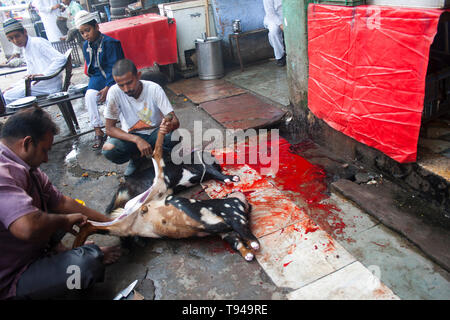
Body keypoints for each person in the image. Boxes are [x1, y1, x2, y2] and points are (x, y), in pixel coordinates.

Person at [0, 107, 121, 300]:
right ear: (27, 143)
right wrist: (64, 221)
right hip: (11, 277)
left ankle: (60, 253)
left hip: (30, 249)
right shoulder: (3, 173)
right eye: (44, 151)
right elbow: (27, 227)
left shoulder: (28, 167)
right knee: (85, 265)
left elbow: (62, 202)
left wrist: (111, 224)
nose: (47, 159)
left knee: (53, 211)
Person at [102, 59, 180, 177]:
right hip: (132, 135)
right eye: (121, 85)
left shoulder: (154, 89)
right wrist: (137, 140)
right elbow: (109, 129)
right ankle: (136, 158)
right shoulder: (114, 92)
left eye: (129, 83)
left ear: (138, 76)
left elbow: (174, 120)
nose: (126, 89)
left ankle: (163, 155)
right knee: (109, 149)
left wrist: (169, 124)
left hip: (155, 133)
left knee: (173, 137)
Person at [75, 10, 125, 149]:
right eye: (82, 32)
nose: (86, 35)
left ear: (96, 27)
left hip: (114, 76)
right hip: (98, 78)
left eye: (88, 30)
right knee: (90, 96)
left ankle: (113, 129)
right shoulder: (86, 46)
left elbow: (116, 67)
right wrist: (95, 84)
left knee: (111, 95)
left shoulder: (111, 43)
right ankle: (98, 130)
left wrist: (108, 86)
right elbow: (92, 69)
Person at [2, 18, 67, 105]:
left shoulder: (37, 42)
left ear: (24, 32)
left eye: (17, 36)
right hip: (38, 83)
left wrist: (44, 74)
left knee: (8, 96)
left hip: (48, 83)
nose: (15, 41)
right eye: (11, 39)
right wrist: (12, 86)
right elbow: (29, 73)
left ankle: (28, 116)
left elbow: (61, 59)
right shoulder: (25, 48)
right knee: (6, 94)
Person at [263, 0, 285, 67]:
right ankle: (280, 57)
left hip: (287, 15)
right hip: (272, 18)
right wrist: (280, 24)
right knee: (274, 31)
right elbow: (270, 13)